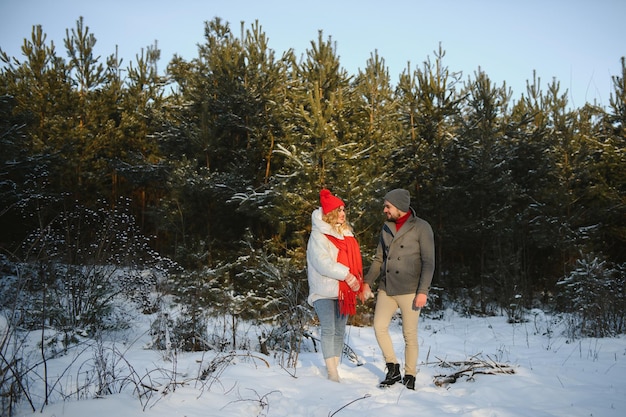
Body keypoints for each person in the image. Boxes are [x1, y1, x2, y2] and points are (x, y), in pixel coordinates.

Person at [361, 188, 435, 390]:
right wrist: (367, 281)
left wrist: (423, 291)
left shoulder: (422, 227)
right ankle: (392, 368)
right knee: (379, 326)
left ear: (399, 207)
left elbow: (429, 262)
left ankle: (410, 375)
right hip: (387, 287)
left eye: (388, 206)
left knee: (409, 335)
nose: (384, 210)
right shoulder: (386, 227)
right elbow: (379, 259)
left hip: (411, 290)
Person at [307, 189, 364, 382]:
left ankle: (335, 366)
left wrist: (357, 282)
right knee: (329, 329)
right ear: (329, 213)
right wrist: (348, 276)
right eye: (338, 210)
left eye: (343, 210)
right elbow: (323, 263)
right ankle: (332, 372)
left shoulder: (346, 235)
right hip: (324, 290)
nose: (343, 214)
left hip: (343, 291)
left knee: (340, 330)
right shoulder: (318, 236)